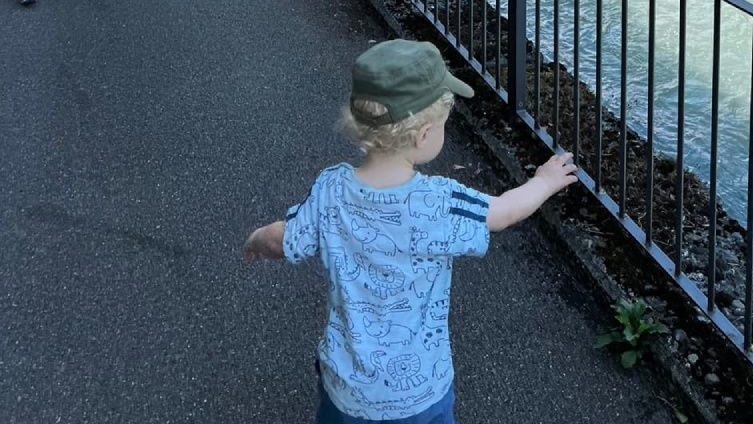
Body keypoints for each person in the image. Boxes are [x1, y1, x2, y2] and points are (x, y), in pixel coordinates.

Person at [243, 39, 577, 424]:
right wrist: (545, 181)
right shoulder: (436, 201)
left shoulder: (331, 188)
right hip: (420, 393)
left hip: (347, 390)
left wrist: (255, 240)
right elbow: (501, 212)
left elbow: (281, 239)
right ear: (422, 136)